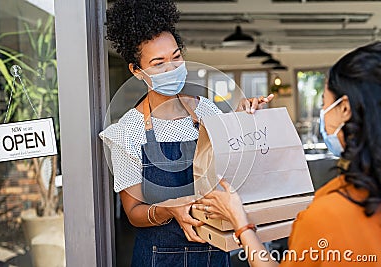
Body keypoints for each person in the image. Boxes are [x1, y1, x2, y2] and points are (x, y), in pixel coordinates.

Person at [100, 0, 273, 266]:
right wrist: (170, 210)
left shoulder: (206, 111)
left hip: (215, 253)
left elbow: (231, 168)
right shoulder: (127, 132)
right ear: (137, 71)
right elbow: (133, 213)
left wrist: (242, 120)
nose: (171, 68)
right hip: (159, 257)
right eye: (158, 63)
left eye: (176, 57)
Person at [194, 41, 381, 266]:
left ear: (344, 109)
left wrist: (241, 224)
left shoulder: (326, 217)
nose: (322, 112)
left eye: (324, 103)